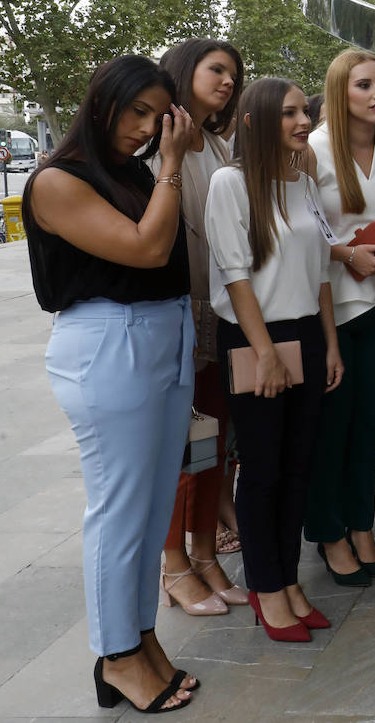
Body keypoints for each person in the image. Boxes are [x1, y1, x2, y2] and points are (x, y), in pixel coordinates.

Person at [24, 55, 198, 713]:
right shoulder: (57, 181)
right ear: (102, 105)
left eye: (159, 116)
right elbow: (146, 249)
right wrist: (175, 164)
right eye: (137, 112)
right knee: (120, 509)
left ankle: (140, 637)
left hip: (162, 335)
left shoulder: (134, 172)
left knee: (153, 510)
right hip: (108, 343)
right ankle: (117, 656)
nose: (148, 128)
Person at [205, 77, 343, 640]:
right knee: (261, 471)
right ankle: (266, 586)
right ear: (257, 121)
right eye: (288, 113)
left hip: (307, 333)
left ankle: (288, 580)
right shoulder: (230, 183)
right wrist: (264, 352)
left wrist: (330, 343)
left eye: (302, 111)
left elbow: (321, 273)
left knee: (298, 466)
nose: (302, 120)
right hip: (255, 338)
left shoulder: (303, 180)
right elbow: (235, 273)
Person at [304, 50, 375, 586]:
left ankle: (361, 526)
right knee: (334, 428)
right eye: (364, 85)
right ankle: (328, 532)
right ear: (339, 92)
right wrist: (347, 255)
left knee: (371, 422)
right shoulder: (313, 151)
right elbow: (299, 235)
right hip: (334, 310)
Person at [155, 38, 247, 617]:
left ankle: (207, 554)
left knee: (213, 441)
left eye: (234, 76)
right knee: (175, 442)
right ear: (186, 71)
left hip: (220, 306)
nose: (228, 82)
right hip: (171, 309)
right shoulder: (158, 142)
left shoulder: (218, 144)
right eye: (217, 70)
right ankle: (173, 564)